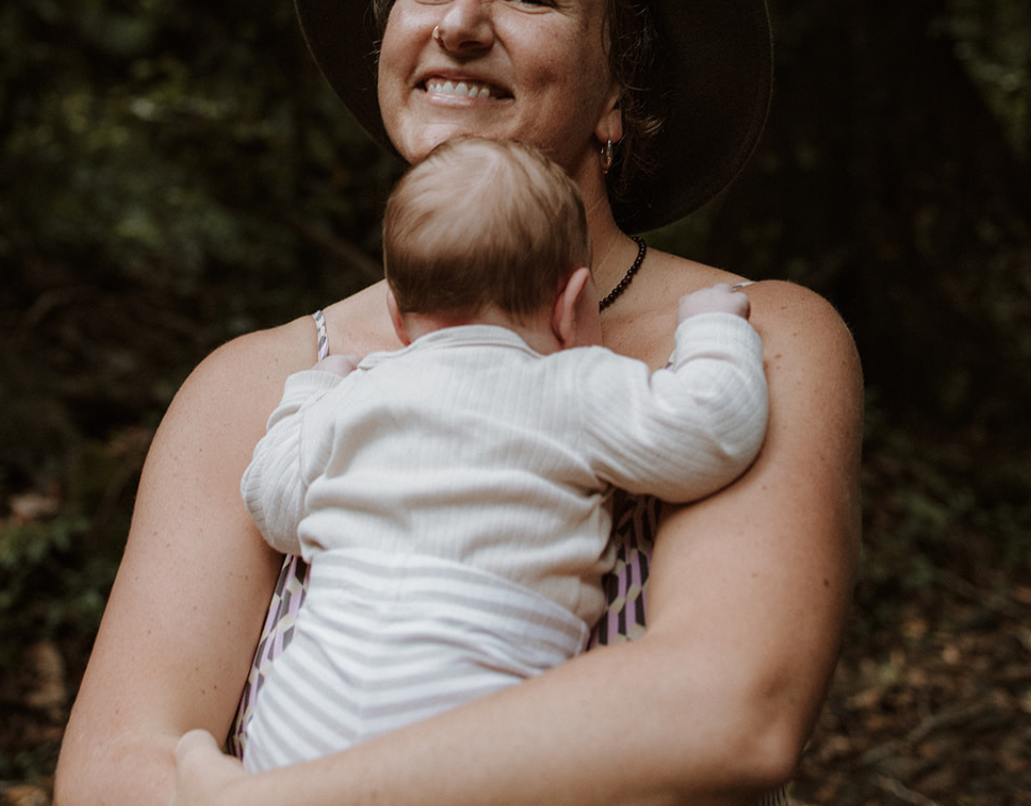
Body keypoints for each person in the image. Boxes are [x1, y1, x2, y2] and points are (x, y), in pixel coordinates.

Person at [54, 0, 862, 806]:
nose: (461, 23)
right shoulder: (256, 385)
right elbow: (118, 770)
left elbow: (726, 709)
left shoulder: (753, 338)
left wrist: (284, 799)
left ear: (621, 93)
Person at [240, 136, 768, 771]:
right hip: (469, 727)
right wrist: (713, 327)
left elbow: (271, 500)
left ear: (397, 317)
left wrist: (312, 390)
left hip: (299, 732)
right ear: (572, 304)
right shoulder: (574, 386)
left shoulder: (356, 397)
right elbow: (710, 431)